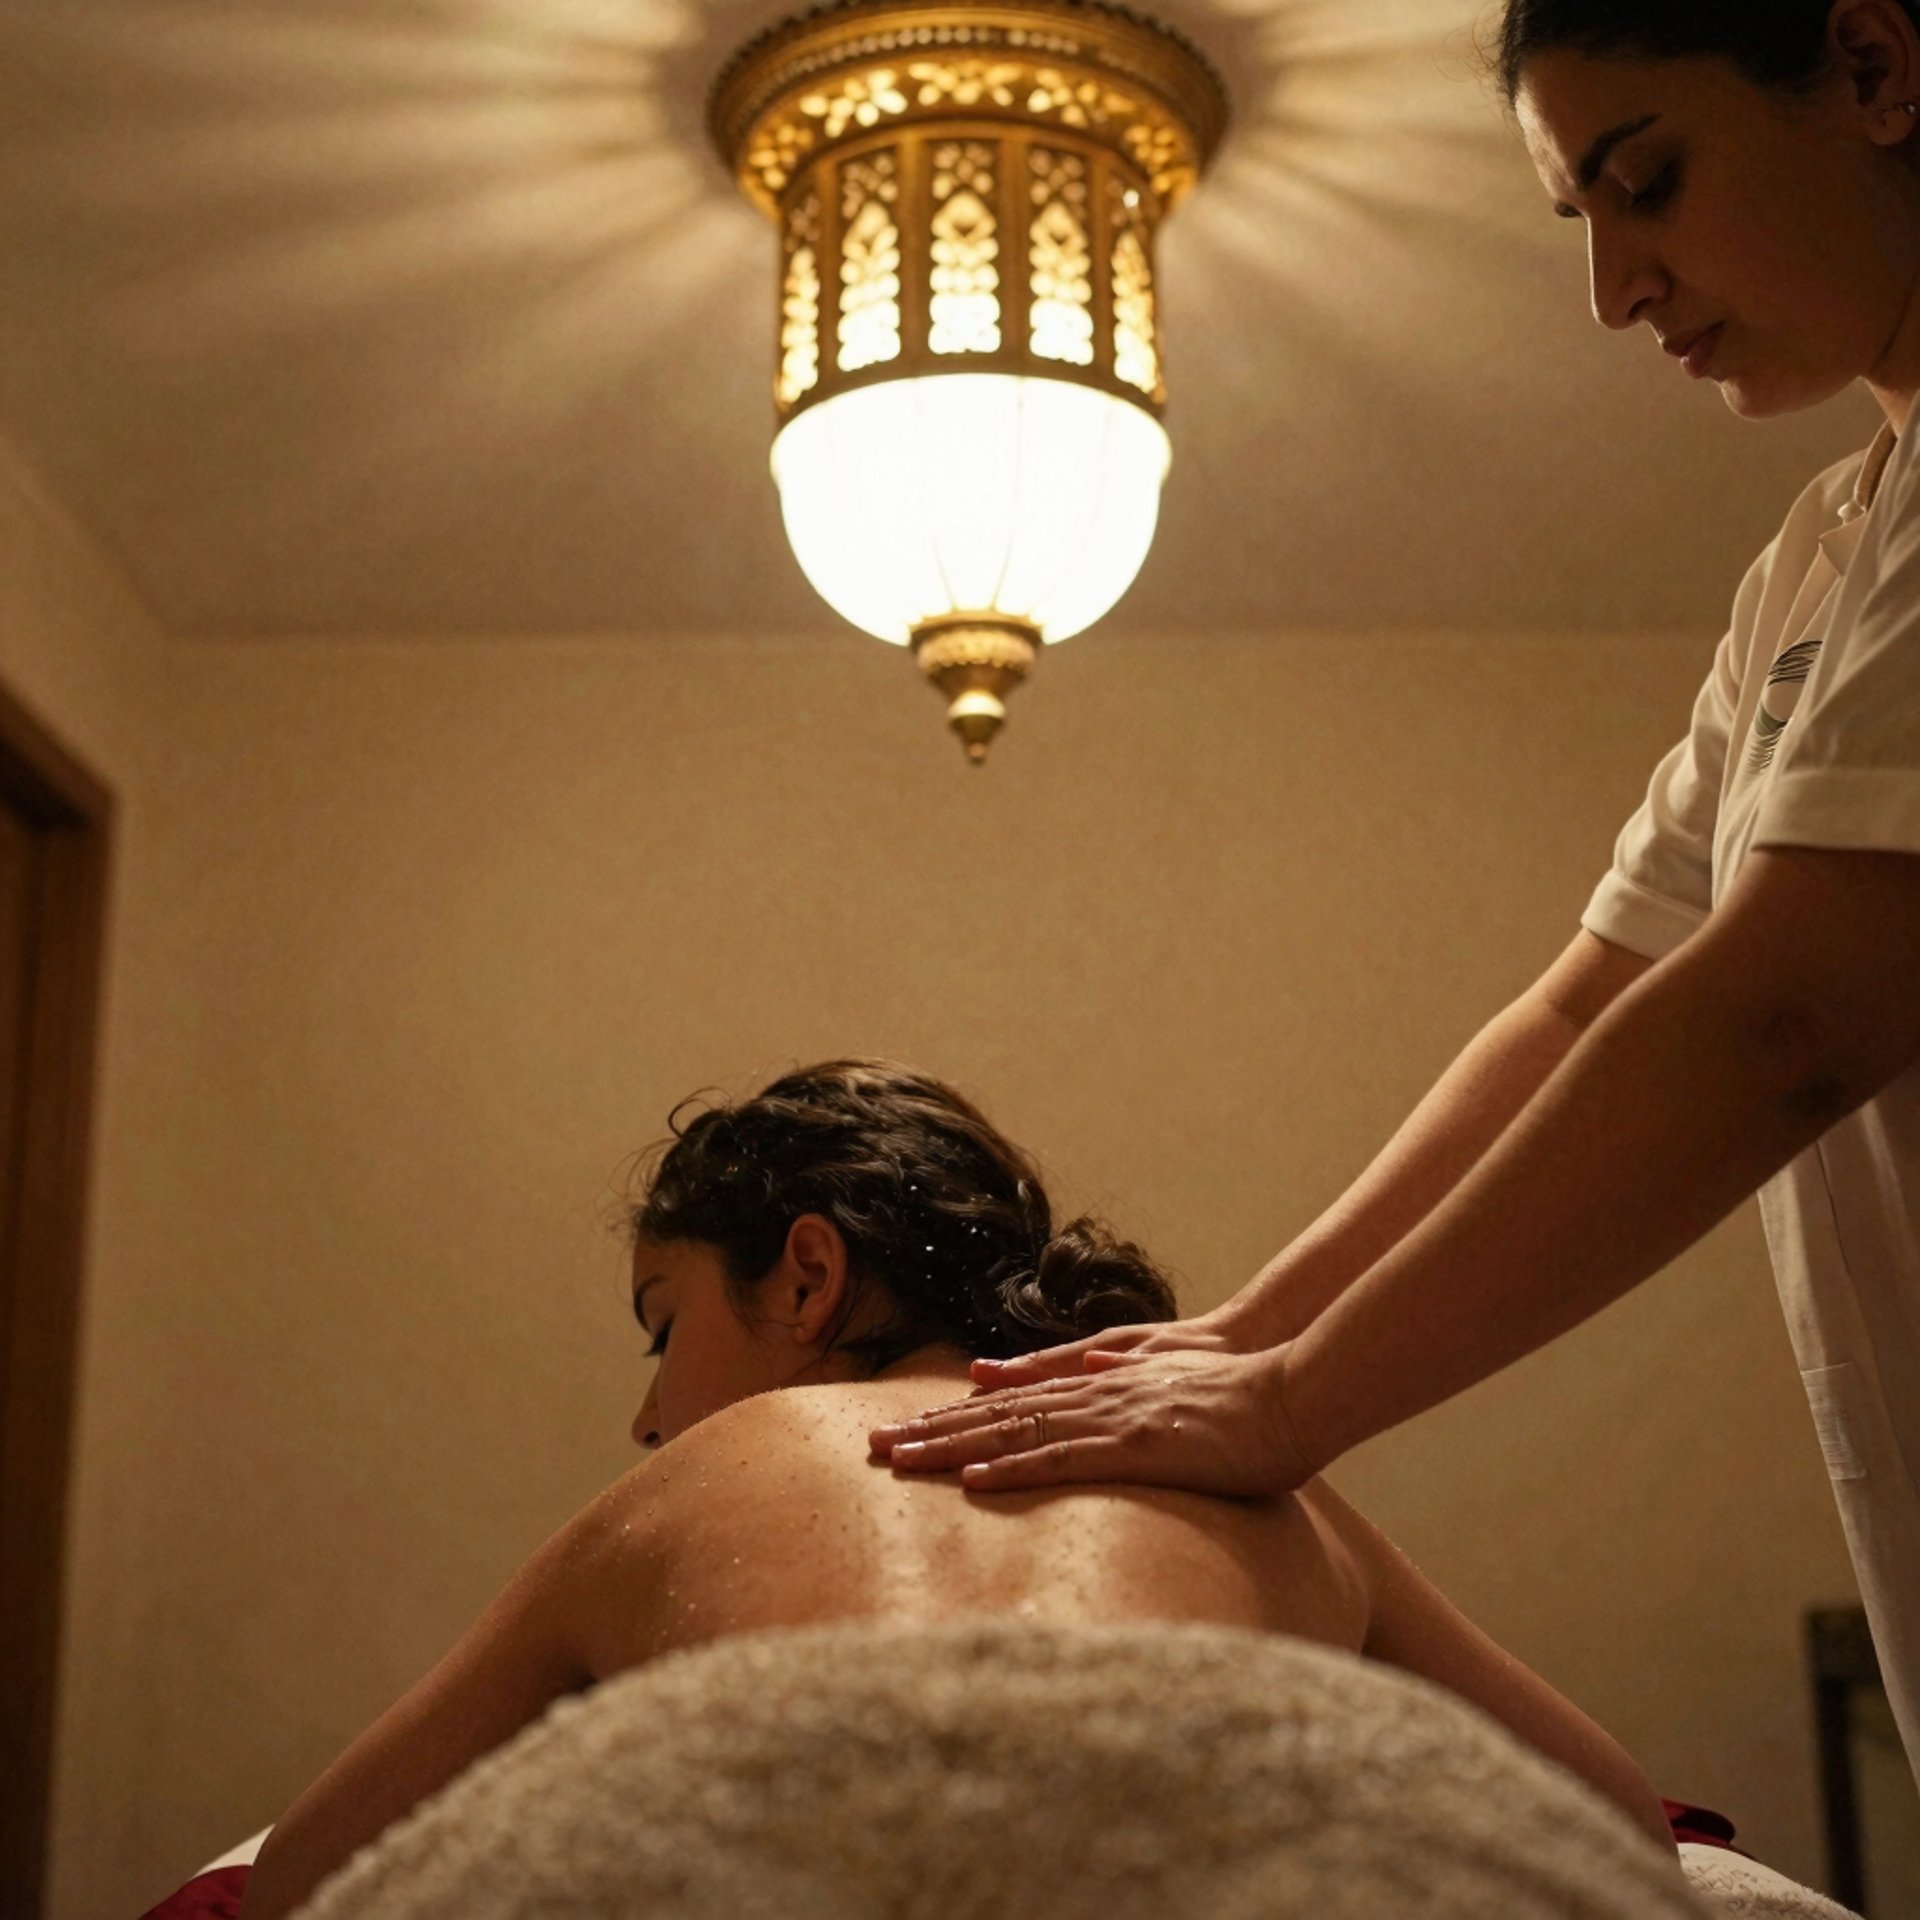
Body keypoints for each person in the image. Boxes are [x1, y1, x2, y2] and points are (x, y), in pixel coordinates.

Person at [869, 0, 1920, 1789]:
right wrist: (1238, 1336)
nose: (1613, 294)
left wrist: (1294, 1398)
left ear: (1878, 70)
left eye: (1644, 181)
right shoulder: (1825, 553)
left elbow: (1781, 1019)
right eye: (1574, 220)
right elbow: (1599, 996)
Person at [237, 1060, 1676, 1920]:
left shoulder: (698, 1485)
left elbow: (304, 1877)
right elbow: (1625, 1829)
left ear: (806, 1274)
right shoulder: (1256, 1474)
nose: (647, 1418)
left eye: (663, 1326)